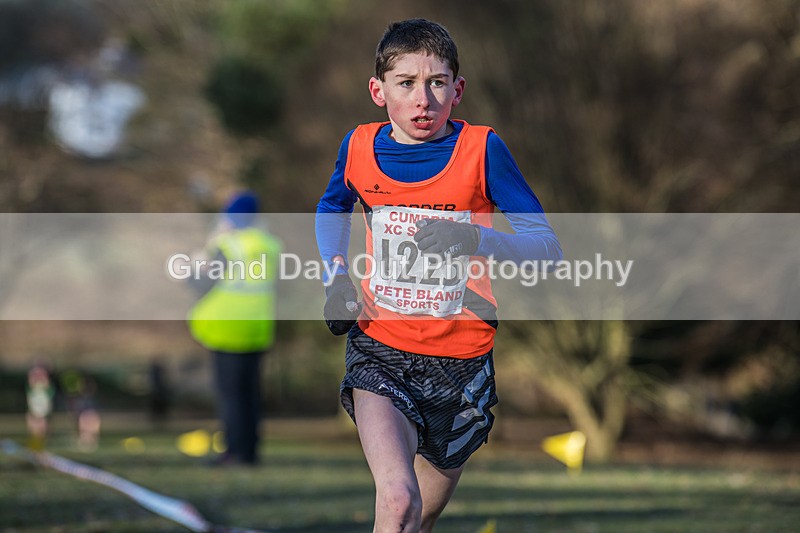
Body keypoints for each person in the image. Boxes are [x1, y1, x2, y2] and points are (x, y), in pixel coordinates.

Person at [315, 19, 563, 532]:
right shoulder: (358, 148)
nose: (422, 98)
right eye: (405, 83)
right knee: (398, 501)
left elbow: (548, 248)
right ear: (378, 91)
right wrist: (336, 276)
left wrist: (474, 239)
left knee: (420, 517)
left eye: (437, 82)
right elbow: (331, 205)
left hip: (461, 361)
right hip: (380, 347)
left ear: (458, 89)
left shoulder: (483, 150)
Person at [187, 191, 282, 466]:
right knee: (250, 395)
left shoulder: (227, 245)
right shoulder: (269, 244)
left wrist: (196, 264)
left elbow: (201, 284)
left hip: (227, 328)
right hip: (258, 327)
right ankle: (250, 452)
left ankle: (233, 452)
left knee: (231, 396)